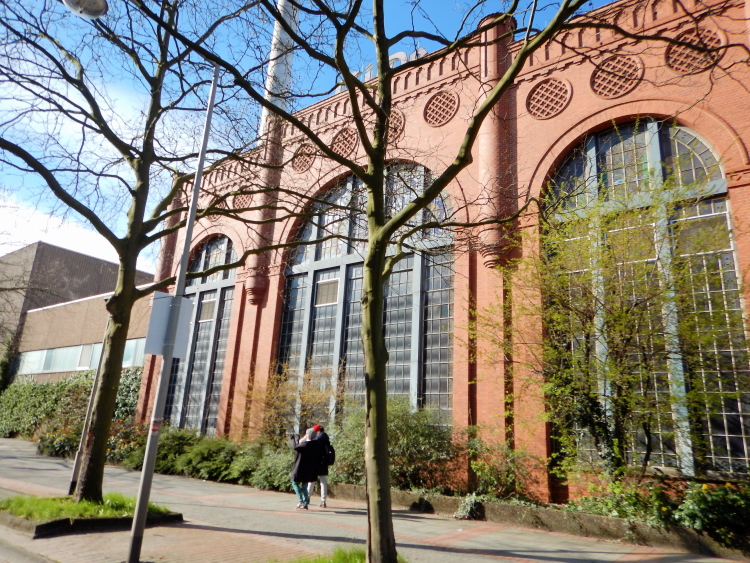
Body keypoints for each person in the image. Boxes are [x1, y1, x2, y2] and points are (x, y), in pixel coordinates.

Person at [290, 427, 323, 510]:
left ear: (309, 436)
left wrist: (293, 440)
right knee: (304, 485)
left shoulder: (306, 445)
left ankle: (301, 500)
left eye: (307, 434)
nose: (305, 435)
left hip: (300, 467)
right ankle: (305, 503)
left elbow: (296, 447)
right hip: (309, 468)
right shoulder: (316, 444)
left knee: (295, 483)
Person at [307, 424, 331, 508]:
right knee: (323, 481)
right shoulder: (326, 438)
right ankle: (323, 501)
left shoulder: (317, 439)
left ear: (316, 431)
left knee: (311, 480)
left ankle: (307, 498)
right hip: (324, 462)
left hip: (316, 461)